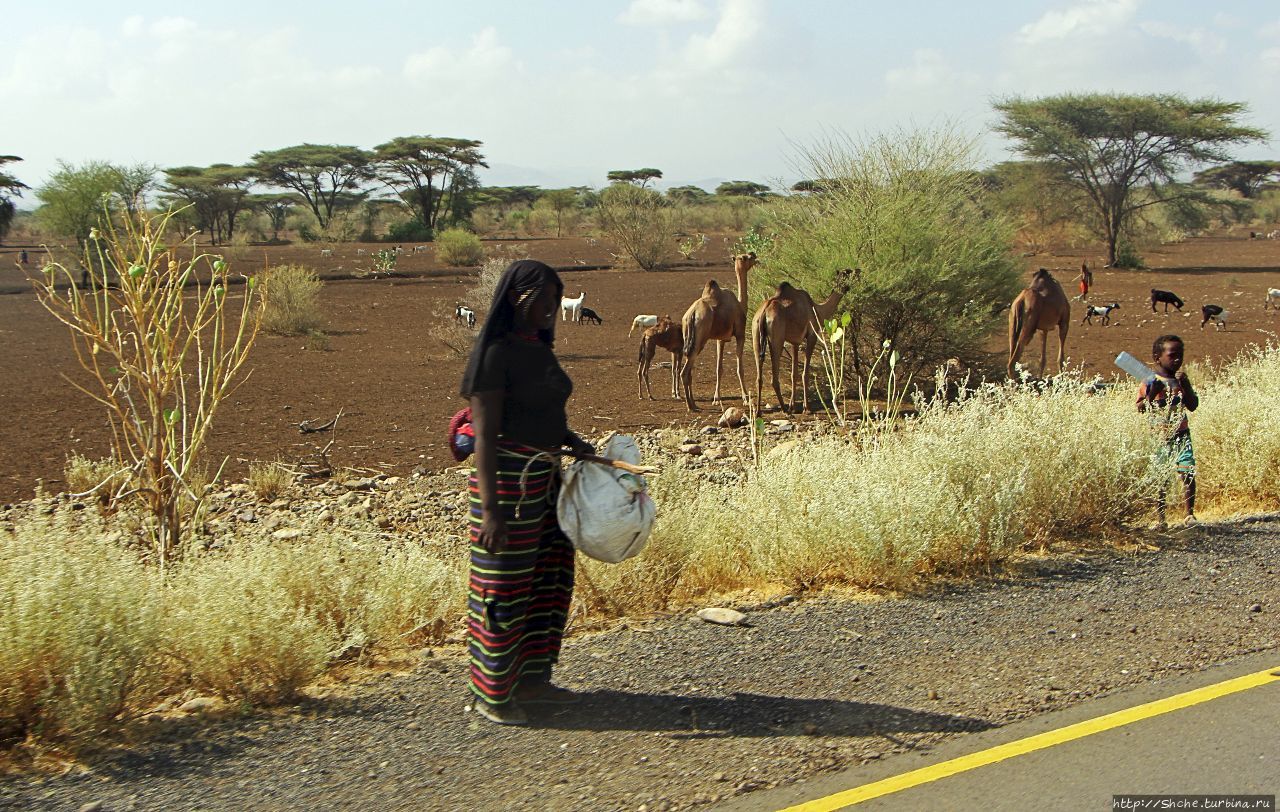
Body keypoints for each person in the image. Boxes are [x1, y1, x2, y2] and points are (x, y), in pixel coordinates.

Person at [458, 259, 594, 726]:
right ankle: (492, 695)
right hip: (507, 488)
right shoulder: (494, 354)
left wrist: (571, 443)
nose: (554, 308)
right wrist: (491, 514)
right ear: (519, 298)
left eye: (557, 300)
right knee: (503, 591)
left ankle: (533, 681)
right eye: (546, 299)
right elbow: (484, 438)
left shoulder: (537, 347)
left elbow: (540, 410)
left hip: (545, 481)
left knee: (546, 584)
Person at [1136, 334, 1199, 531]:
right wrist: (1152, 393)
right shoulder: (1148, 381)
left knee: (1187, 472)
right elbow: (1140, 408)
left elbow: (1193, 405)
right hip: (1159, 436)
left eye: (1180, 355)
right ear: (1158, 358)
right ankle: (1160, 518)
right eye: (1172, 355)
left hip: (1181, 434)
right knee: (1160, 478)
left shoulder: (1181, 381)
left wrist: (1186, 386)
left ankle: (1189, 514)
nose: (1178, 359)